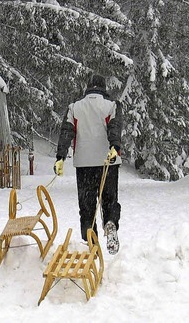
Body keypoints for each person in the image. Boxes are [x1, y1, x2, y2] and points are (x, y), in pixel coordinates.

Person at [55, 74, 123, 254]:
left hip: (84, 163)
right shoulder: (111, 106)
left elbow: (66, 132)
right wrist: (115, 146)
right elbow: (115, 128)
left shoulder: (74, 108)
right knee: (109, 199)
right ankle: (110, 222)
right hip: (108, 162)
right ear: (103, 88)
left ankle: (90, 238)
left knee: (87, 204)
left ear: (88, 87)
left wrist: (60, 156)